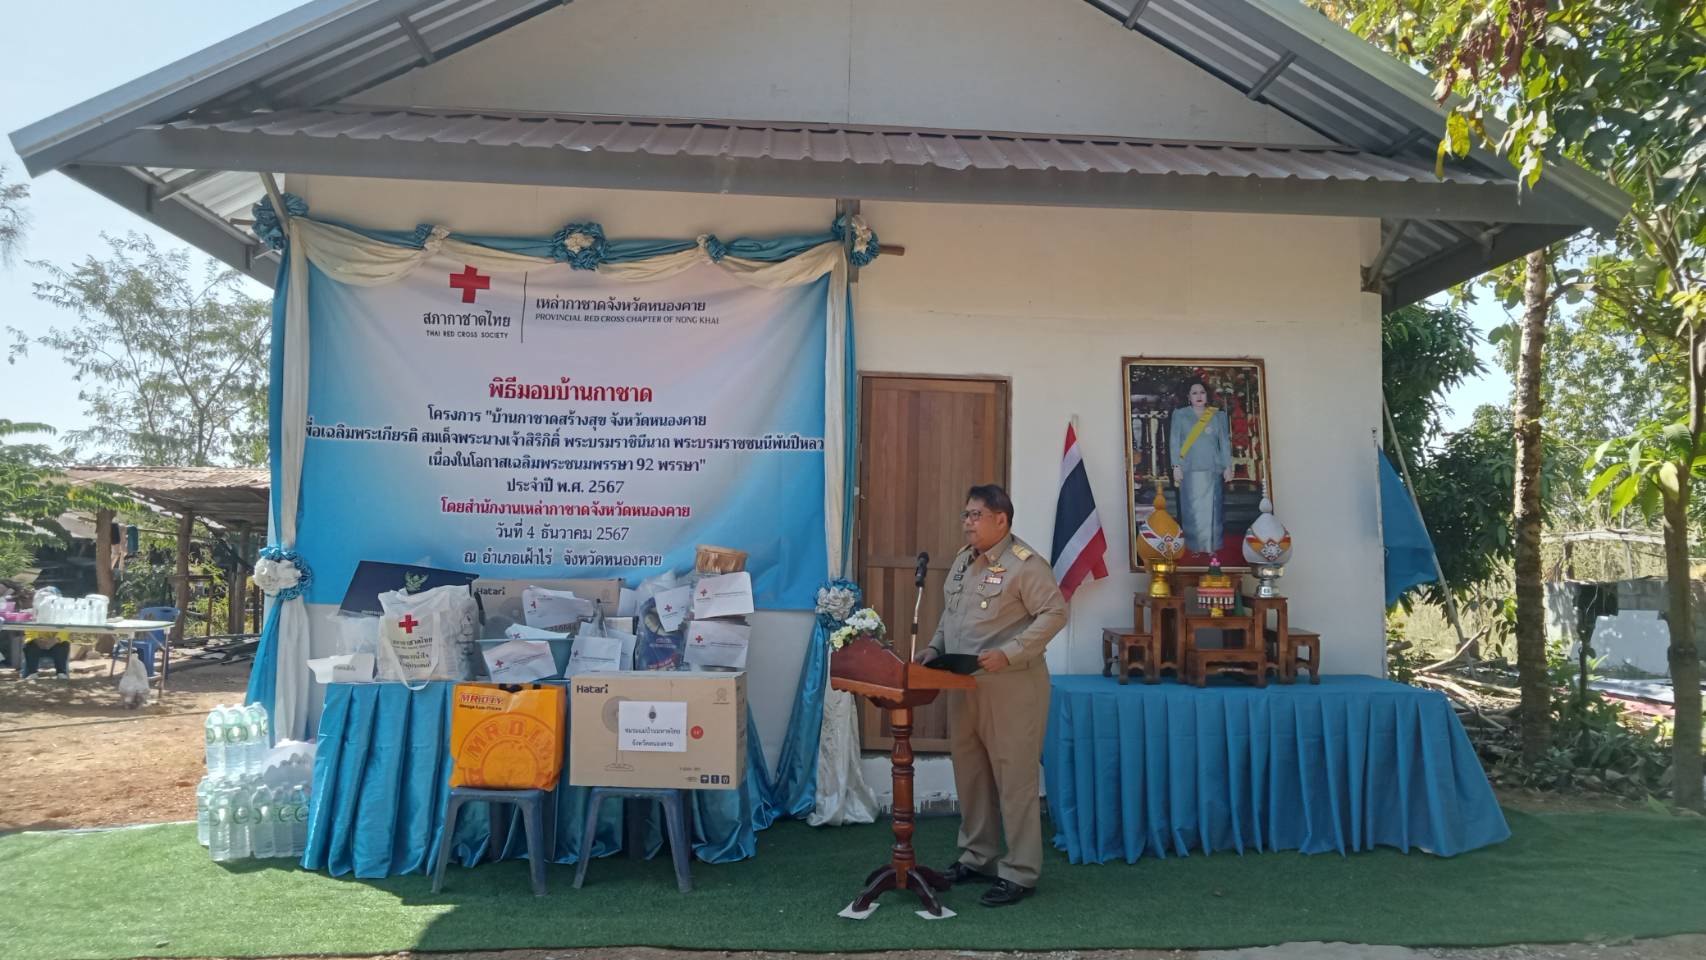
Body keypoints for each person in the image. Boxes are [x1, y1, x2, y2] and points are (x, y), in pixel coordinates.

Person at [914, 484, 1067, 907]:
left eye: (975, 515)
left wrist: (1011, 652)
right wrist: (935, 647)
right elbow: (952, 614)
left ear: (1002, 519)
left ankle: (1020, 871)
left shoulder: (1025, 564)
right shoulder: (964, 562)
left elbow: (1055, 613)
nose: (967, 522)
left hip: (1013, 687)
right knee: (971, 772)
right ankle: (978, 856)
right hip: (966, 685)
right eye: (965, 515)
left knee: (1014, 779)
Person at [1168, 378, 1233, 557]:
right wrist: (1176, 466)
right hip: (1189, 467)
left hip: (1212, 467)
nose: (1198, 396)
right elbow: (1174, 442)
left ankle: (1212, 545)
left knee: (1213, 509)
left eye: (1202, 392)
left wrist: (1227, 466)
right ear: (1188, 396)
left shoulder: (1218, 415)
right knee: (1192, 509)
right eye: (1194, 393)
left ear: (1207, 395)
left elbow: (1224, 443)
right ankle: (1194, 545)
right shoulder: (1180, 415)